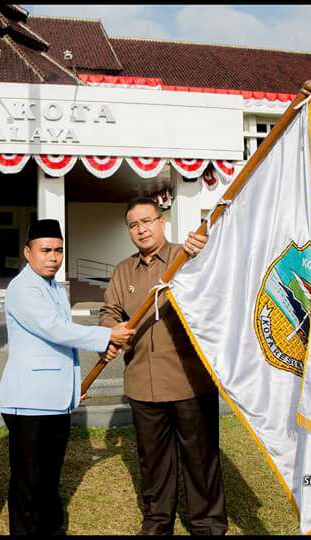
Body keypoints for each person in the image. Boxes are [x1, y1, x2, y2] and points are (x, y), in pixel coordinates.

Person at [98, 197, 227, 535]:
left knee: (200, 460)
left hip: (189, 381)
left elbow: (215, 282)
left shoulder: (186, 258)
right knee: (154, 463)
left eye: (147, 221)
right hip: (143, 383)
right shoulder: (123, 270)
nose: (141, 229)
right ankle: (157, 522)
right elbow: (109, 310)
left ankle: (207, 524)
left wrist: (203, 253)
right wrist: (110, 331)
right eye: (133, 225)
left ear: (162, 222)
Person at [0, 218, 135, 535]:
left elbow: (61, 346)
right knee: (28, 485)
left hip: (55, 401)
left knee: (48, 480)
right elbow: (54, 329)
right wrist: (106, 336)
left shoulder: (56, 288)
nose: (53, 257)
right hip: (29, 403)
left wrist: (74, 386)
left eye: (58, 250)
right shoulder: (22, 288)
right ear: (27, 252)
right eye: (45, 250)